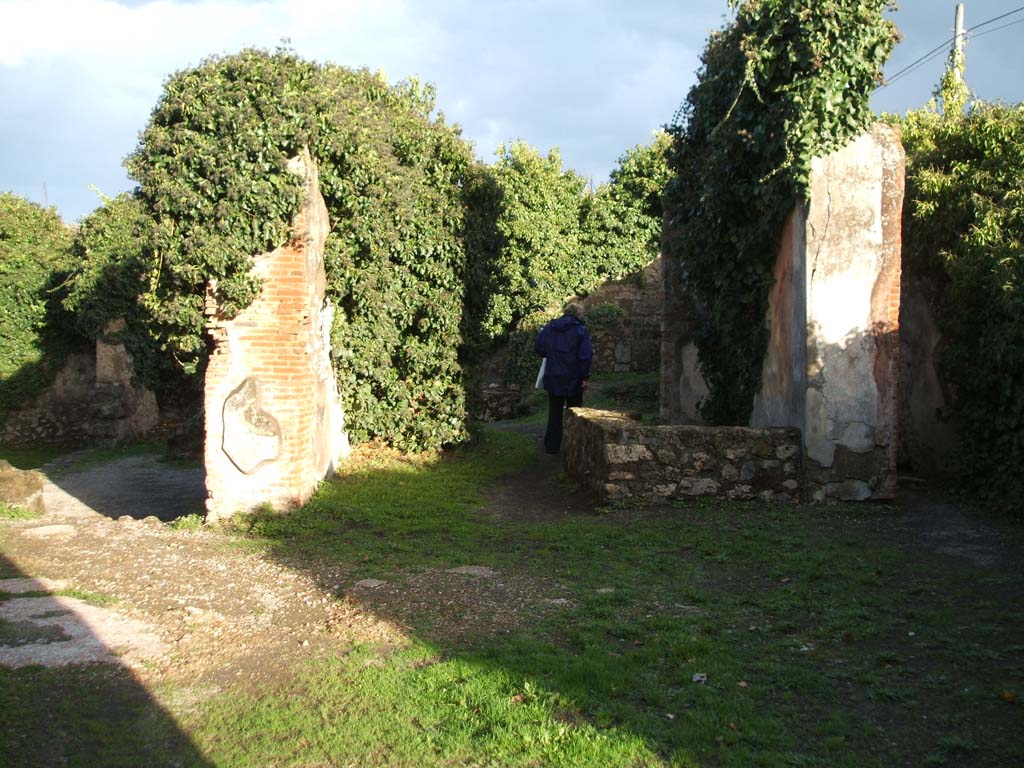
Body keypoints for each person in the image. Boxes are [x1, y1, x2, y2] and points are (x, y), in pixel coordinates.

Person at [534, 302, 593, 454]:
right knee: (575, 412)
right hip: (574, 377)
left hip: (554, 374)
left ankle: (552, 446)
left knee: (555, 411)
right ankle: (574, 445)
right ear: (579, 315)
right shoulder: (581, 330)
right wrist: (585, 377)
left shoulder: (550, 327)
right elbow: (585, 356)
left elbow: (539, 347)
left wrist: (551, 354)